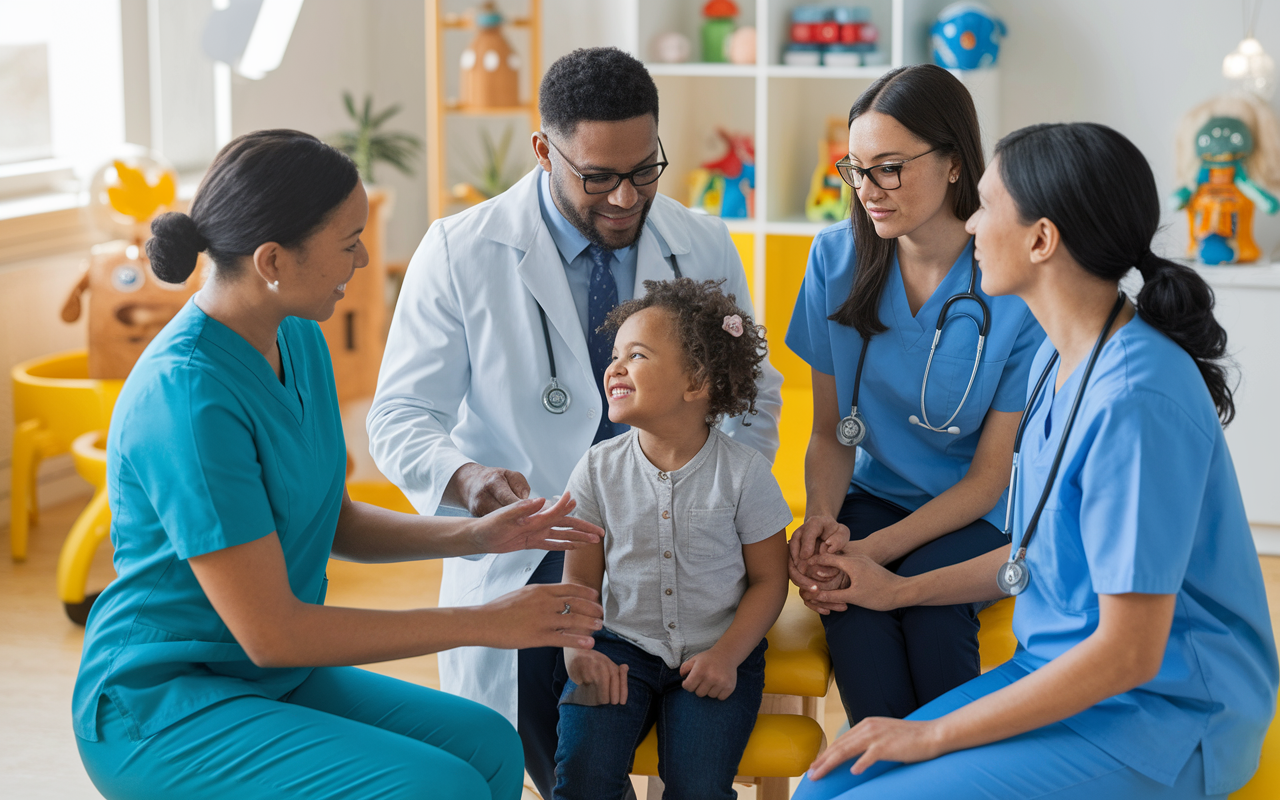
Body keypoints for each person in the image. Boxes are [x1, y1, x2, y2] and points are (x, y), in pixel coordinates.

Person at [72, 130, 608, 800]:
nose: (360, 259)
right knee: (436, 787)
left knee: (489, 746)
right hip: (164, 699)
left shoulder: (294, 334)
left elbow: (330, 517)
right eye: (347, 241)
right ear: (273, 259)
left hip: (264, 674)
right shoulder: (187, 399)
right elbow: (273, 632)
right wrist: (488, 621)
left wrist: (477, 535)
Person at [792, 122, 1278, 800]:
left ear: (1042, 239)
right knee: (822, 789)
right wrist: (894, 589)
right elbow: (1039, 557)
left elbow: (1130, 652)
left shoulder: (1135, 400)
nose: (969, 229)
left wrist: (929, 735)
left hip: (1161, 716)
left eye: (986, 207)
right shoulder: (1059, 358)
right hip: (1056, 675)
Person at [367, 47, 782, 798]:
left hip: (686, 535)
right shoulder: (461, 251)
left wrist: (724, 504)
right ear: (542, 151)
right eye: (598, 176)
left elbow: (750, 395)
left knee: (698, 749)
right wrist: (466, 478)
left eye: (644, 169)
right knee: (567, 748)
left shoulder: (702, 242)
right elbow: (400, 415)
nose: (626, 197)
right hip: (537, 543)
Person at [785, 64, 1044, 726]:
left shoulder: (1010, 281)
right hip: (874, 498)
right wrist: (822, 526)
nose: (869, 190)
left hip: (974, 515)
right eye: (857, 169)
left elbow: (989, 479)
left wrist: (874, 556)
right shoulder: (834, 260)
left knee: (930, 621)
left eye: (890, 168)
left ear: (955, 163)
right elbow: (828, 433)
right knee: (854, 619)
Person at [553, 279, 792, 800]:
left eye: (636, 356)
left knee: (699, 788)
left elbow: (772, 581)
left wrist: (728, 655)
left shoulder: (746, 474)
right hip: (620, 645)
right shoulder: (595, 469)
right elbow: (579, 583)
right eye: (614, 355)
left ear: (696, 380)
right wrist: (578, 655)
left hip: (715, 650)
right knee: (583, 779)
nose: (614, 368)